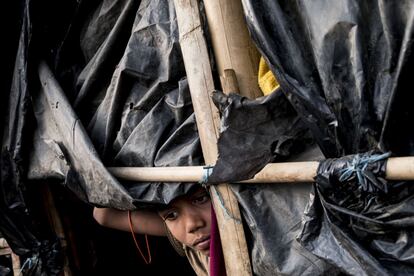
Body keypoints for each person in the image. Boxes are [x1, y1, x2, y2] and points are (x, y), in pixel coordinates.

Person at [93, 186, 211, 276]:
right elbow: (104, 215)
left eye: (201, 199)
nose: (192, 225)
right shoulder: (189, 244)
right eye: (172, 215)